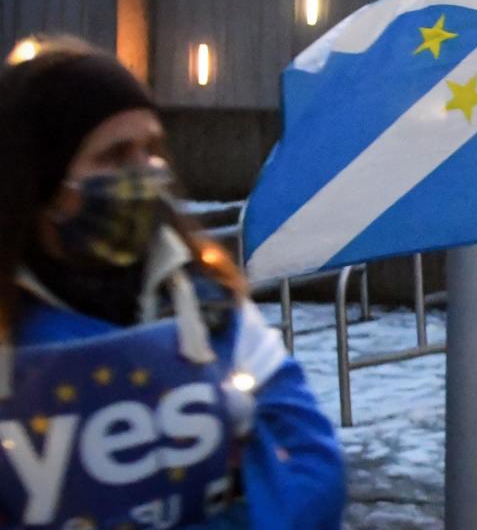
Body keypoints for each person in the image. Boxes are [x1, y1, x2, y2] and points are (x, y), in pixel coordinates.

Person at [0, 36, 346, 528]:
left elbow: (313, 465)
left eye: (152, 148)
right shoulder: (14, 328)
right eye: (115, 155)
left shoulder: (204, 298)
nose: (145, 173)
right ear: (41, 181)